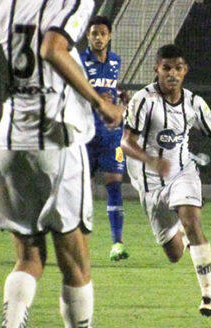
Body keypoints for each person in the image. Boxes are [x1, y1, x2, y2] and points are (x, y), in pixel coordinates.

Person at [0, 0, 123, 327]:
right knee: (76, 264)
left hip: (7, 144)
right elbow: (52, 49)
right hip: (56, 141)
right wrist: (101, 104)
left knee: (29, 257)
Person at [120, 44, 211, 317]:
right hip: (150, 184)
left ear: (185, 71)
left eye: (178, 68)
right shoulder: (143, 101)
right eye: (166, 68)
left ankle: (208, 297)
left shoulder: (195, 103)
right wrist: (151, 160)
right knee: (174, 254)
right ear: (156, 69)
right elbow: (126, 142)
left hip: (182, 172)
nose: (172, 73)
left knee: (192, 218)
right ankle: (180, 232)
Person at [81, 15, 130, 261]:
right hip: (85, 136)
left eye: (102, 33)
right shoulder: (79, 62)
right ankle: (80, 244)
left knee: (114, 184)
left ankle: (117, 243)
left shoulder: (115, 61)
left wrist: (121, 94)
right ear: (88, 36)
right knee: (81, 191)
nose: (98, 38)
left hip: (111, 136)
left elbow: (111, 86)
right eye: (94, 34)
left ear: (109, 36)